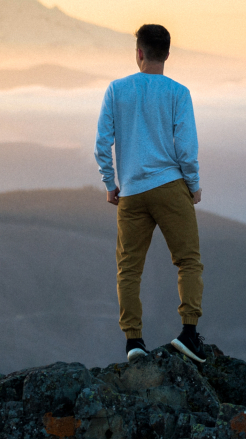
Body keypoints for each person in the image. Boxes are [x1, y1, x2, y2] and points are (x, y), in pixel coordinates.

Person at [94, 24, 207, 363]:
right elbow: (186, 148)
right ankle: (188, 333)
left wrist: (110, 183)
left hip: (130, 192)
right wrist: (194, 184)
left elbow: (102, 144)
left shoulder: (117, 90)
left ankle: (133, 342)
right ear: (167, 54)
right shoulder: (178, 93)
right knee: (188, 260)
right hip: (170, 186)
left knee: (129, 269)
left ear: (139, 52)